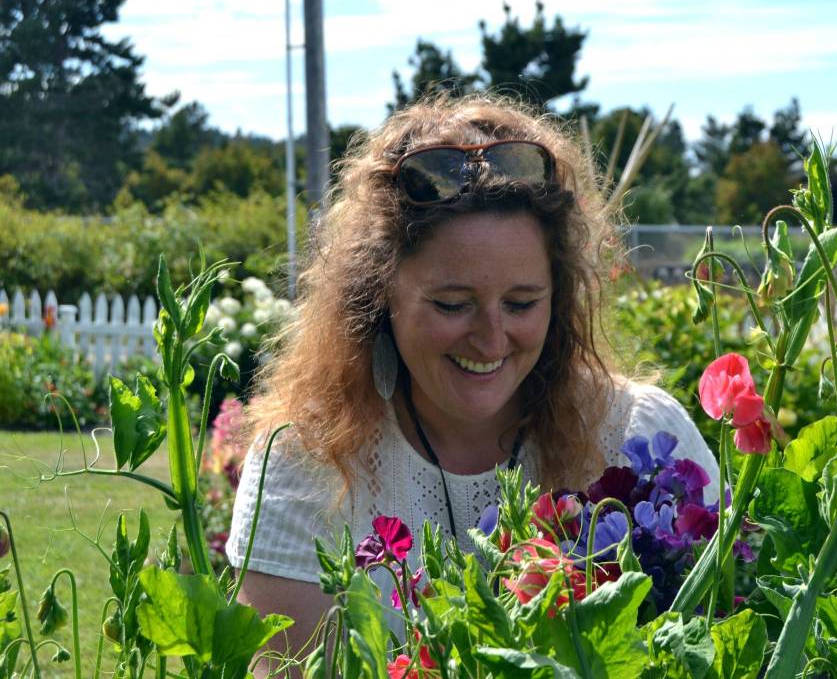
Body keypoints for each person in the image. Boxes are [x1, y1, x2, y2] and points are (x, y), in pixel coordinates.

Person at [226, 94, 719, 671]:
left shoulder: (636, 432)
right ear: (381, 293)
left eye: (521, 302)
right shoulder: (308, 461)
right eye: (453, 304)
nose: (490, 339)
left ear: (558, 298)